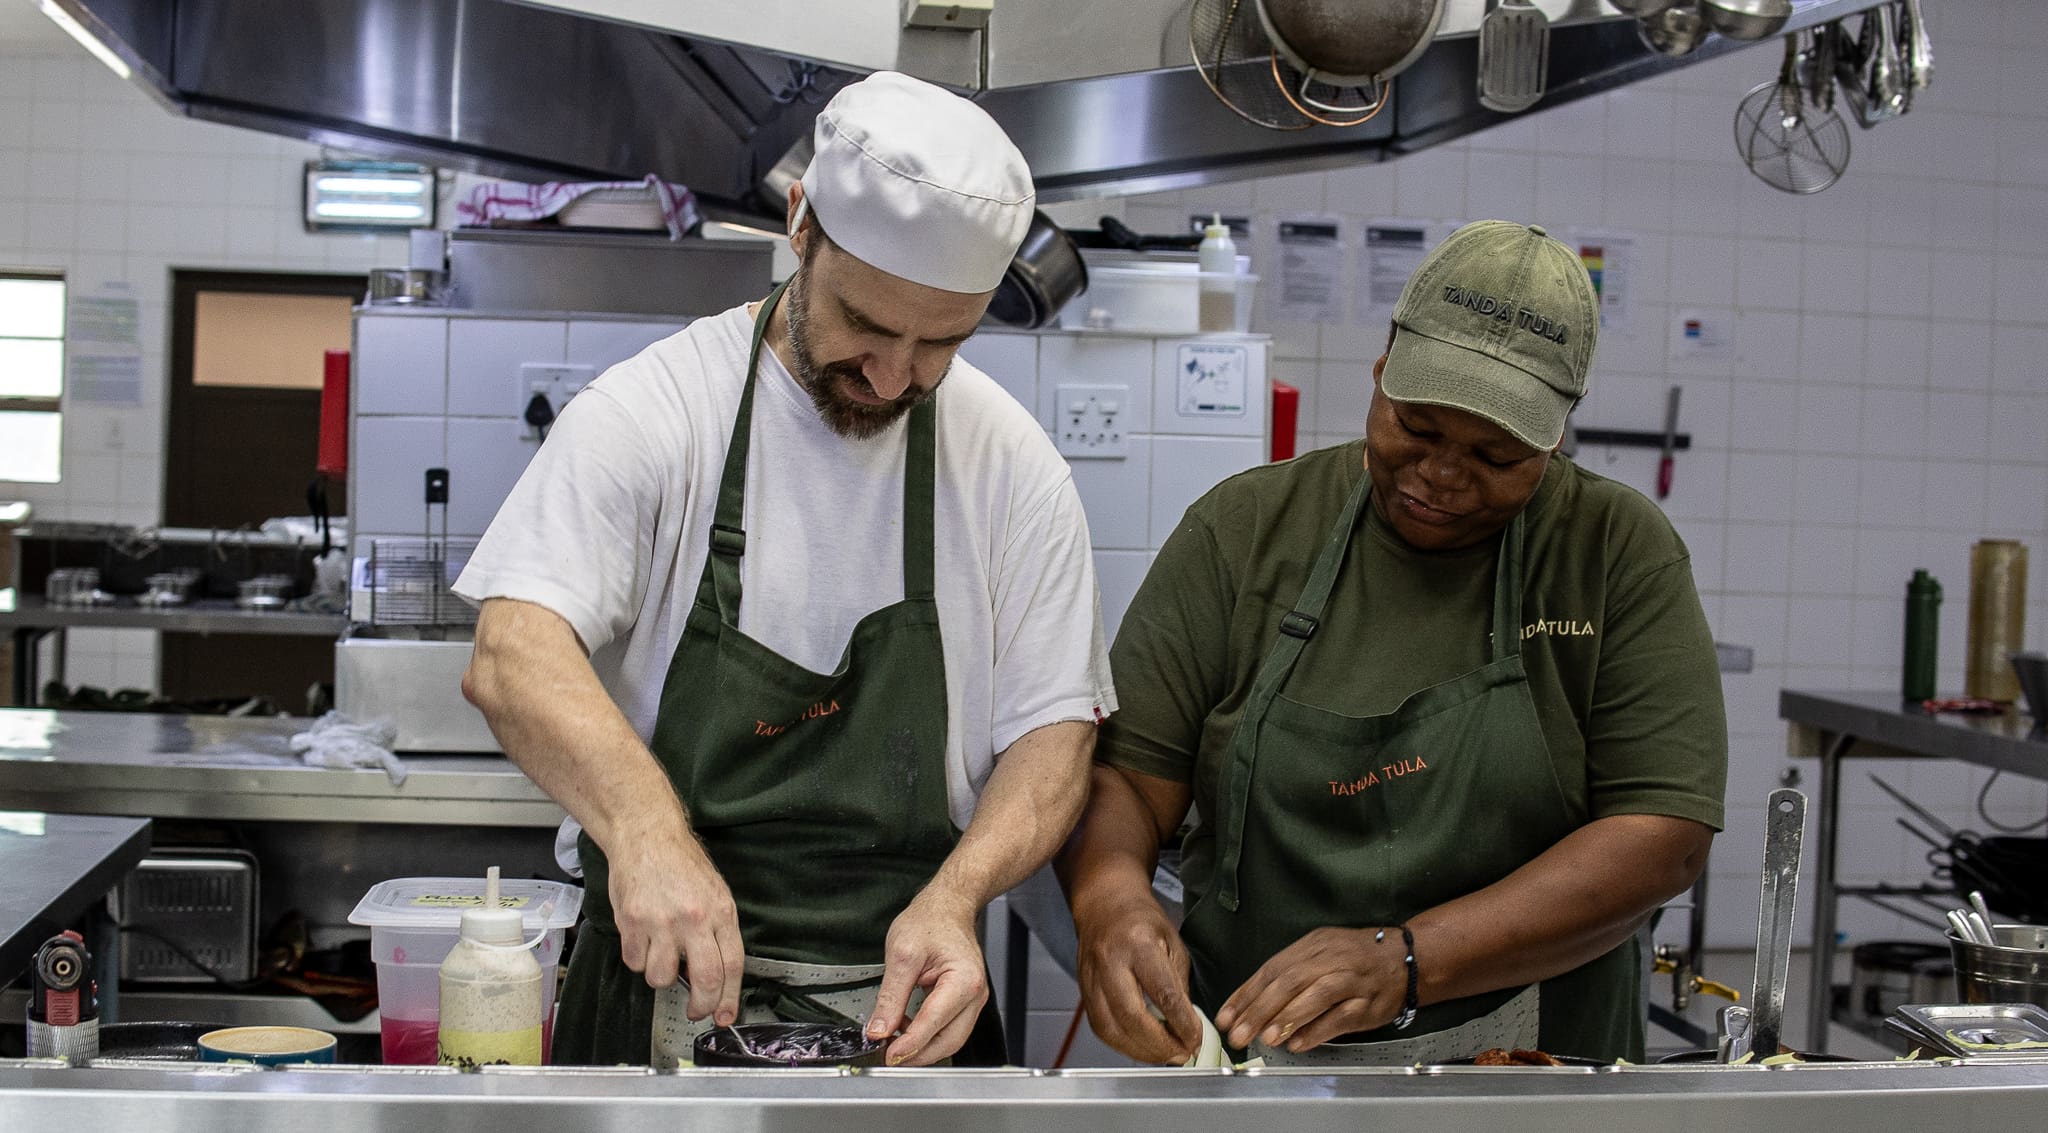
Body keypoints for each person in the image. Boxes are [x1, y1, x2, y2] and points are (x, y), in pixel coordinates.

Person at [456, 71, 1115, 1068]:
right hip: (653, 1010)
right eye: (866, 323)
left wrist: (960, 891)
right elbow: (512, 651)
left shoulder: (1011, 468)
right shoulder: (655, 412)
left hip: (907, 1020)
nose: (894, 375)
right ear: (800, 223)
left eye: (938, 342)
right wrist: (643, 828)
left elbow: (1054, 740)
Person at [1056, 220, 1726, 1067]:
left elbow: (1662, 833)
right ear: (1380, 372)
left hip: (1532, 1077)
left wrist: (1411, 959)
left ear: (1557, 435)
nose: (1442, 474)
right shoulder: (1247, 530)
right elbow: (1125, 776)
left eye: (1494, 453)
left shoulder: (1615, 551)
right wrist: (1109, 899)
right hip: (1256, 1063)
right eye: (1416, 426)